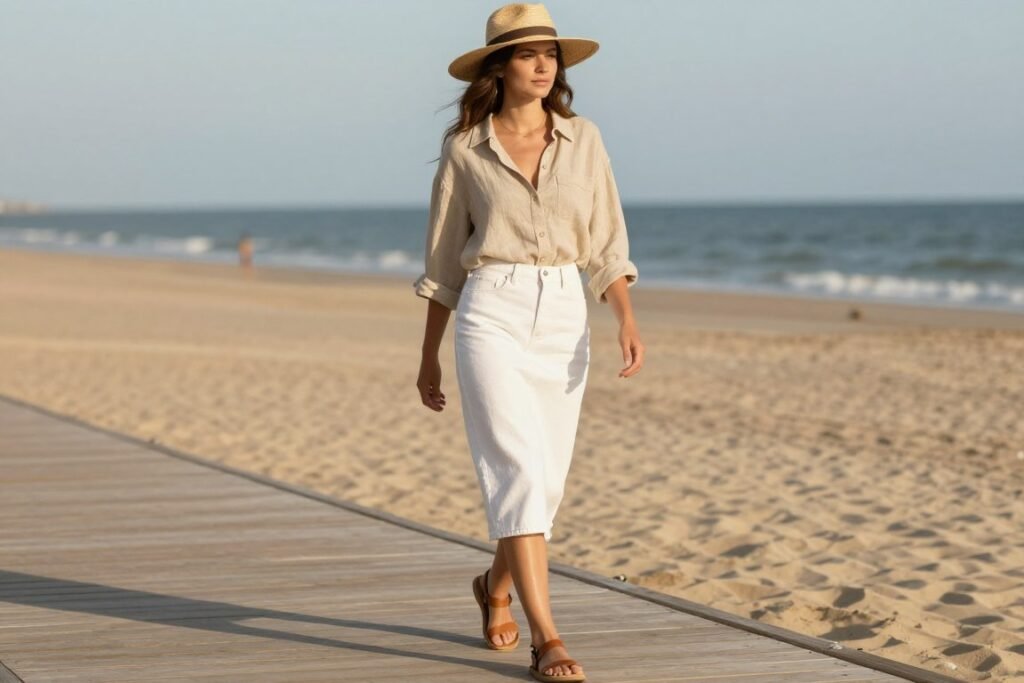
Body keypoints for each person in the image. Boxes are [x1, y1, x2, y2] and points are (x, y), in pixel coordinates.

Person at [413, 4, 644, 681]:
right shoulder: (466, 149)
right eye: (526, 54)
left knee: (543, 483)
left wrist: (625, 315)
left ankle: (497, 586)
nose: (543, 64)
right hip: (493, 309)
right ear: (499, 66)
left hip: (566, 310)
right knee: (515, 470)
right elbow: (443, 262)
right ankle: (550, 635)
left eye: (550, 53)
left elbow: (606, 240)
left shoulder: (585, 140)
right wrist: (428, 353)